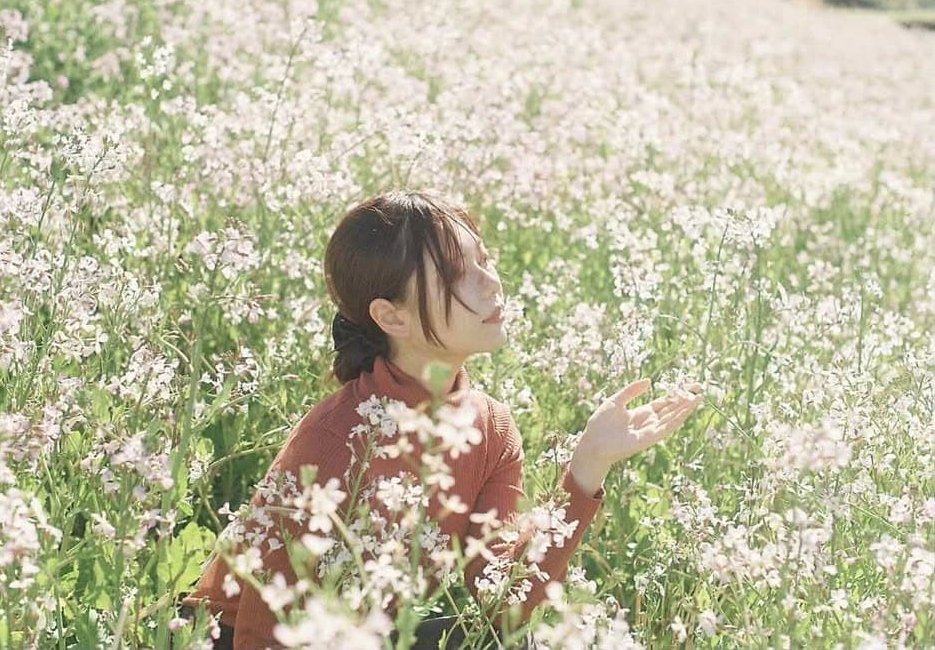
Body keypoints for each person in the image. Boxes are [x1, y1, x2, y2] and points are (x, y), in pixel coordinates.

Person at [176, 189, 704, 649]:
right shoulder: (333, 440)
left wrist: (588, 466)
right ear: (391, 316)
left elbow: (504, 603)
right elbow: (261, 635)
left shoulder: (492, 428)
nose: (492, 283)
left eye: (485, 260)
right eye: (457, 274)